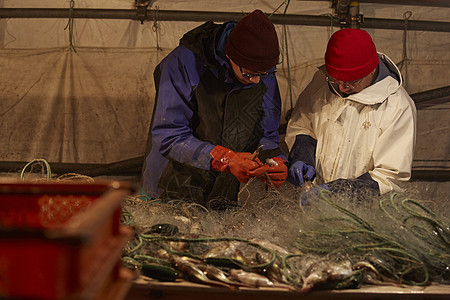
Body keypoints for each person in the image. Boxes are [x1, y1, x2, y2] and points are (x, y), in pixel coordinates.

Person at [142, 9, 288, 209]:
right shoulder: (182, 63)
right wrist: (226, 159)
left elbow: (267, 135)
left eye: (264, 73)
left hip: (224, 193)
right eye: (248, 74)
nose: (256, 81)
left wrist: (275, 161)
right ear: (229, 55)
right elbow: (169, 135)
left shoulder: (262, 72)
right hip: (174, 187)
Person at [285, 28, 417, 199]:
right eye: (335, 80)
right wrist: (302, 154)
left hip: (364, 214)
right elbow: (302, 125)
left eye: (351, 82)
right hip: (313, 202)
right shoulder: (322, 82)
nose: (341, 88)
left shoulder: (397, 106)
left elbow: (392, 177)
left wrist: (343, 191)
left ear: (371, 70)